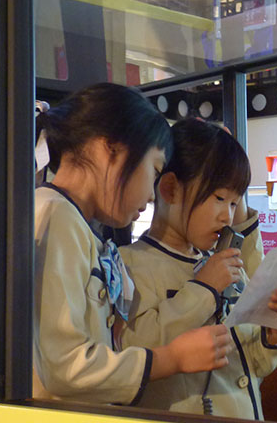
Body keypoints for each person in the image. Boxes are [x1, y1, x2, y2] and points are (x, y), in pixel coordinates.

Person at [32, 83, 232, 404]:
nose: (152, 195)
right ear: (109, 149)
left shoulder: (65, 219)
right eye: (154, 169)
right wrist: (172, 358)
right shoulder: (56, 216)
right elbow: (65, 366)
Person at [118, 118, 277, 419]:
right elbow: (133, 350)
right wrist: (203, 290)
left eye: (234, 203)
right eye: (220, 198)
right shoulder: (129, 263)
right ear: (170, 189)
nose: (228, 217)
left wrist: (275, 335)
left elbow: (254, 365)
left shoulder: (224, 263)